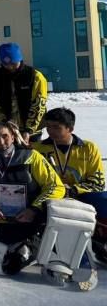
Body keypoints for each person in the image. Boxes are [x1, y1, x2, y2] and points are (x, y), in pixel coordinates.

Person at [0, 121, 64, 274]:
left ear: (12, 137)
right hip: (6, 220)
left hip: (34, 220)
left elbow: (55, 186)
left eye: (5, 136)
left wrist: (34, 209)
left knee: (12, 265)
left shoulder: (31, 156)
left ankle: (34, 243)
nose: (1, 141)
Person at [31, 107, 107, 262]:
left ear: (70, 128)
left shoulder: (88, 148)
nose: (51, 131)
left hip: (80, 195)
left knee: (104, 199)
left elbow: (98, 182)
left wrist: (73, 190)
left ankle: (101, 241)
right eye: (49, 127)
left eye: (56, 127)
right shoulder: (38, 149)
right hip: (50, 197)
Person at [0, 42, 48, 143]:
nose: (10, 67)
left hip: (32, 130)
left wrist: (28, 130)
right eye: (6, 64)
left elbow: (38, 104)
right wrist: (4, 125)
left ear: (19, 59)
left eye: (13, 63)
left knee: (32, 157)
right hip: (7, 130)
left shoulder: (35, 77)